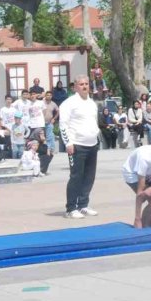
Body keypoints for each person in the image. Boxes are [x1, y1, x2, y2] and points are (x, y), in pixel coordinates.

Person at [60, 75, 101, 218]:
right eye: (81, 84)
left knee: (89, 176)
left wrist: (96, 137)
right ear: (76, 87)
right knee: (76, 177)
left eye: (87, 84)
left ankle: (83, 205)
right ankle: (71, 208)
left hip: (92, 144)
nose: (84, 86)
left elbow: (93, 122)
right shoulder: (69, 103)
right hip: (77, 146)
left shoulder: (92, 103)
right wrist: (68, 143)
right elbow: (63, 125)